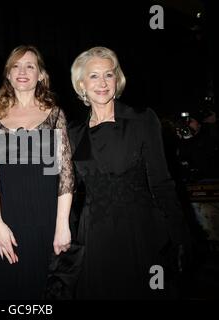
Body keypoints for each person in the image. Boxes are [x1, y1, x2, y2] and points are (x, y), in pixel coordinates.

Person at [67, 46, 190, 299]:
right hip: (95, 237)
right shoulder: (73, 133)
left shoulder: (143, 120)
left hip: (142, 233)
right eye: (93, 76)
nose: (102, 83)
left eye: (109, 75)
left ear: (117, 79)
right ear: (81, 84)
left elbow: (162, 183)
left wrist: (180, 236)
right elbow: (65, 190)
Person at [0, 45, 74, 299]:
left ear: (41, 75)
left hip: (46, 219)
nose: (22, 71)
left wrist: (62, 225)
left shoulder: (55, 114)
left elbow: (66, 174)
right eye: (16, 66)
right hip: (7, 220)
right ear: (8, 75)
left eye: (30, 66)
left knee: (43, 291)